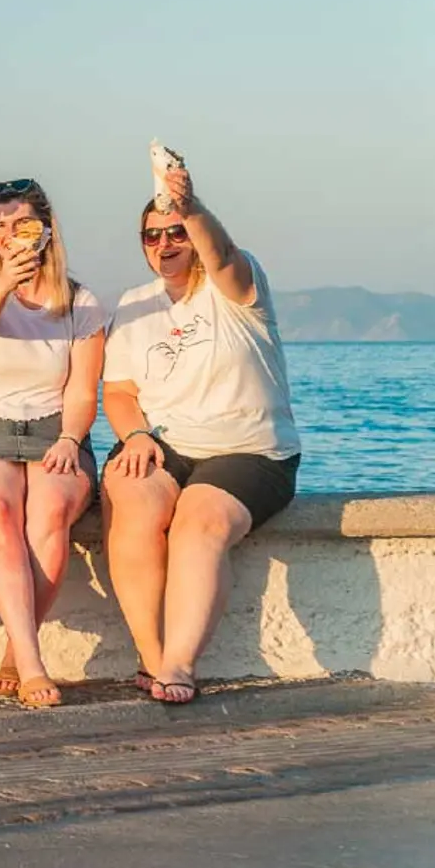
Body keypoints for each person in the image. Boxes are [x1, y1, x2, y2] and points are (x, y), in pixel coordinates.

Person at [101, 164, 300, 704]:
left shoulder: (235, 284)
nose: (165, 243)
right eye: (153, 235)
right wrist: (136, 435)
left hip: (250, 451)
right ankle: (150, 656)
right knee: (133, 500)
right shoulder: (133, 305)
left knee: (198, 522)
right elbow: (117, 391)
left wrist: (190, 206)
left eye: (176, 232)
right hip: (166, 444)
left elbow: (224, 256)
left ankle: (180, 666)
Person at [0, 179, 105, 707]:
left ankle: (17, 652)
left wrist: (69, 438)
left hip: (55, 428)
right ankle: (32, 661)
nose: (10, 234)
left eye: (22, 224)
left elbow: (84, 390)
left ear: (46, 229)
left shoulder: (80, 302)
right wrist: (5, 284)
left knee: (52, 509)